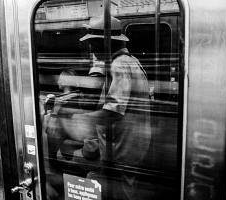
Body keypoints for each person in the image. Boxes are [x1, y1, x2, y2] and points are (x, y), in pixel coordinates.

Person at [73, 16, 152, 200]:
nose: (91, 48)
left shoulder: (119, 65)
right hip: (129, 144)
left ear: (105, 42)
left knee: (124, 194)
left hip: (124, 147)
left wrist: (81, 119)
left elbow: (113, 112)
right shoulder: (129, 61)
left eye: (93, 43)